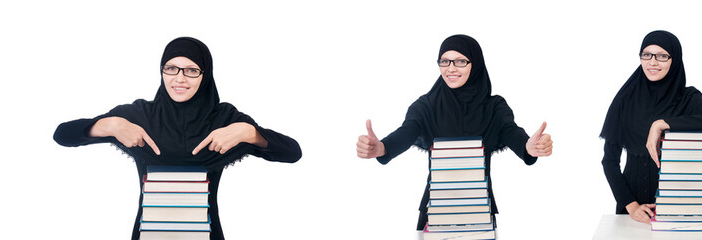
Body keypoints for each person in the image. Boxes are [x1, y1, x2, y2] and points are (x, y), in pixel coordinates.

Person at [53, 37, 302, 239]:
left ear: (206, 75)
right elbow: (62, 135)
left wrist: (250, 133)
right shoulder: (139, 116)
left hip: (207, 234)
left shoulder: (225, 118)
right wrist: (110, 125)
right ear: (161, 71)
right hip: (148, 234)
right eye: (171, 68)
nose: (179, 78)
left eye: (192, 70)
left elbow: (292, 153)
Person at [356, 34, 553, 231]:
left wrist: (529, 146)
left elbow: (510, 131)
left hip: (479, 210)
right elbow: (406, 132)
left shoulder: (494, 107)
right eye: (444, 61)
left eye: (460, 61)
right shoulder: (426, 106)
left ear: (474, 64)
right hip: (435, 211)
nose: (450, 68)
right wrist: (382, 148)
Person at [600, 30, 702, 224]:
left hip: (681, 206)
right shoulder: (625, 100)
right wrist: (631, 205)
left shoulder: (688, 99)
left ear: (674, 60)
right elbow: (609, 161)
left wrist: (662, 124)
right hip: (634, 212)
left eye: (662, 56)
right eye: (646, 55)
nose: (652, 62)